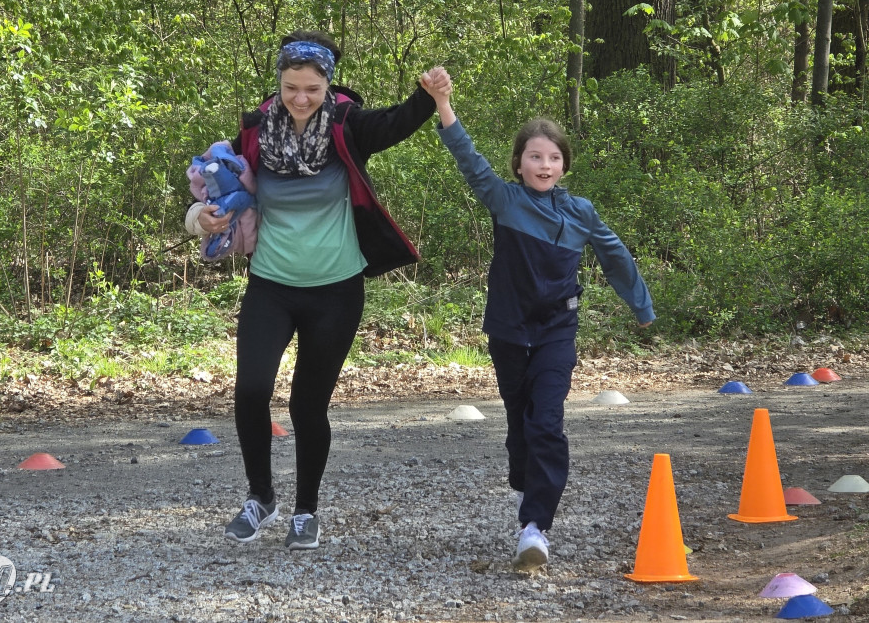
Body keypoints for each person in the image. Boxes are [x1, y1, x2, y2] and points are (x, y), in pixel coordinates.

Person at [185, 29, 446, 550]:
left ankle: (306, 509)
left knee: (308, 405)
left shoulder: (349, 127)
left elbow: (399, 120)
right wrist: (201, 220)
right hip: (272, 286)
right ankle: (261, 497)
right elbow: (215, 186)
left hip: (336, 290)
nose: (300, 99)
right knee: (251, 391)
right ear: (278, 84)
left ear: (328, 84)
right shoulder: (256, 133)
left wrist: (431, 92)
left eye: (311, 88)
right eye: (290, 88)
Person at [421, 69, 655, 571]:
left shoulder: (581, 213)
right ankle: (527, 478)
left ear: (564, 165)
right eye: (534, 156)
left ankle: (534, 528)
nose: (544, 164)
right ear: (520, 164)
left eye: (553, 157)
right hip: (508, 329)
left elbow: (614, 256)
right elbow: (468, 158)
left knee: (546, 422)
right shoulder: (504, 200)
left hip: (556, 330)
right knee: (520, 424)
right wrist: (443, 101)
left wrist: (641, 306)